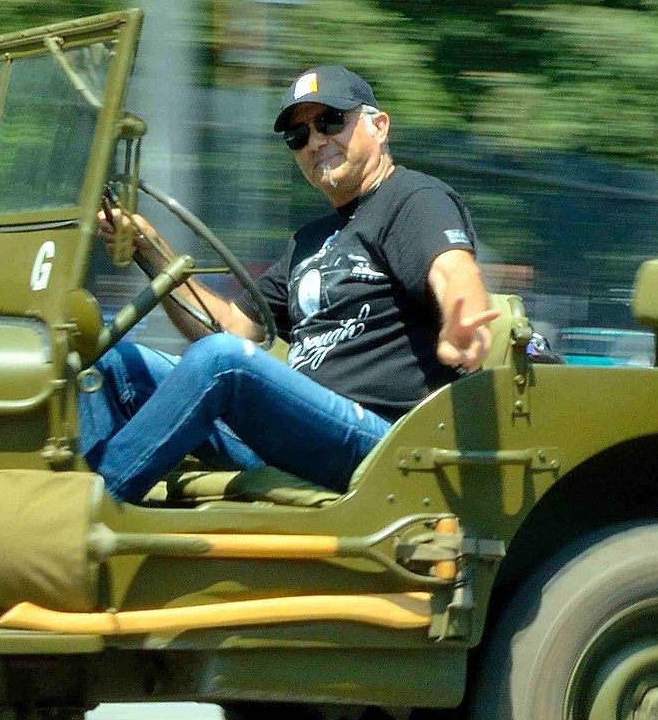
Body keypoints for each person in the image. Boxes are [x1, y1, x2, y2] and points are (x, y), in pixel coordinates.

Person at [80, 65, 498, 503]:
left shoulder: (413, 198)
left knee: (224, 363)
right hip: (295, 432)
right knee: (116, 365)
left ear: (379, 125)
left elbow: (451, 267)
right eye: (298, 135)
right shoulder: (311, 239)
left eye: (331, 121)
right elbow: (229, 329)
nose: (315, 141)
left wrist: (462, 315)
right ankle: (87, 501)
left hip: (377, 442)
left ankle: (92, 512)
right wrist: (152, 251)